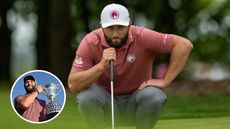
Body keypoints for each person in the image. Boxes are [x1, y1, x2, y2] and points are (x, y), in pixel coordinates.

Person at [68, 3, 193, 129]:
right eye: (110, 28)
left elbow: (184, 45)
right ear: (101, 26)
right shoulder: (90, 42)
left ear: (129, 24)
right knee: (86, 97)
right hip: (106, 104)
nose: (115, 34)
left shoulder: (142, 36)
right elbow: (73, 85)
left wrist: (165, 81)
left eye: (121, 27)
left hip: (137, 102)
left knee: (155, 95)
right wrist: (101, 66)